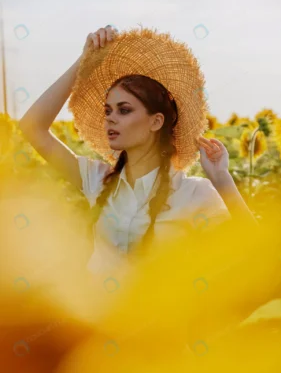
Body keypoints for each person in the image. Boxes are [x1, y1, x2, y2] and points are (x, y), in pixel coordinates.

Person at [19, 25, 258, 279]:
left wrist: (222, 179)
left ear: (156, 122)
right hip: (90, 318)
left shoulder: (194, 194)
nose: (110, 118)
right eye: (108, 111)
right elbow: (32, 127)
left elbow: (254, 251)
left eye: (124, 110)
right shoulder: (97, 180)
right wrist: (84, 61)